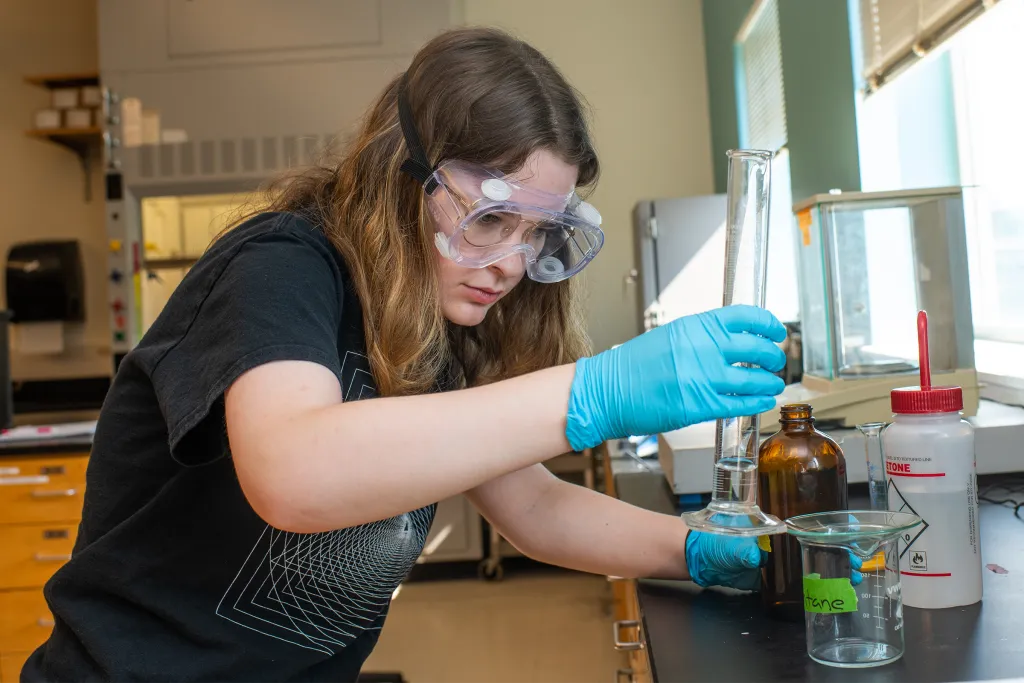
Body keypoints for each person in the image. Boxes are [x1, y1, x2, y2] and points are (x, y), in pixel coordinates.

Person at [23, 27, 789, 683]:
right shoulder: (281, 266)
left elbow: (533, 506)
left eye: (538, 234)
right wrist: (597, 390)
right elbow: (295, 471)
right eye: (492, 219)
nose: (511, 264)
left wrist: (696, 552)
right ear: (405, 177)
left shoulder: (436, 328)